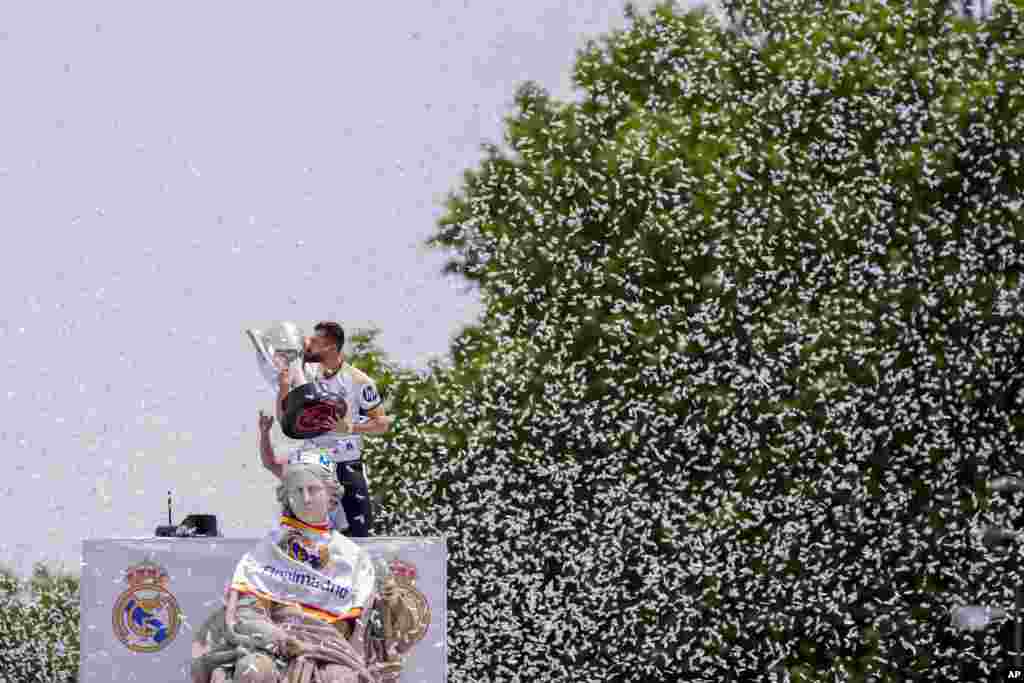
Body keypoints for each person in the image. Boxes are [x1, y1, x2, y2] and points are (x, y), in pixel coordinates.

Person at [189, 460, 419, 683]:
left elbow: (380, 630)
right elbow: (246, 614)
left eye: (313, 489)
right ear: (287, 497)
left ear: (331, 496)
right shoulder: (266, 552)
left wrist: (391, 603)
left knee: (342, 679)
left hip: (332, 650)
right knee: (254, 671)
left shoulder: (355, 557)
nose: (305, 498)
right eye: (297, 491)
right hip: (274, 645)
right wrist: (280, 640)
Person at [276, 321, 391, 537]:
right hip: (313, 465)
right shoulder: (305, 373)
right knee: (301, 532)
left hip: (346, 465)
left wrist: (351, 427)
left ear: (330, 347)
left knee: (359, 533)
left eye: (315, 342)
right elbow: (285, 420)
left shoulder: (359, 381)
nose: (308, 346)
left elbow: (382, 424)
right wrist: (283, 388)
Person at [258, 410, 347, 533]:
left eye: (312, 489)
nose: (306, 498)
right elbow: (270, 463)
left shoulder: (328, 458)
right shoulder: (297, 461)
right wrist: (265, 433)